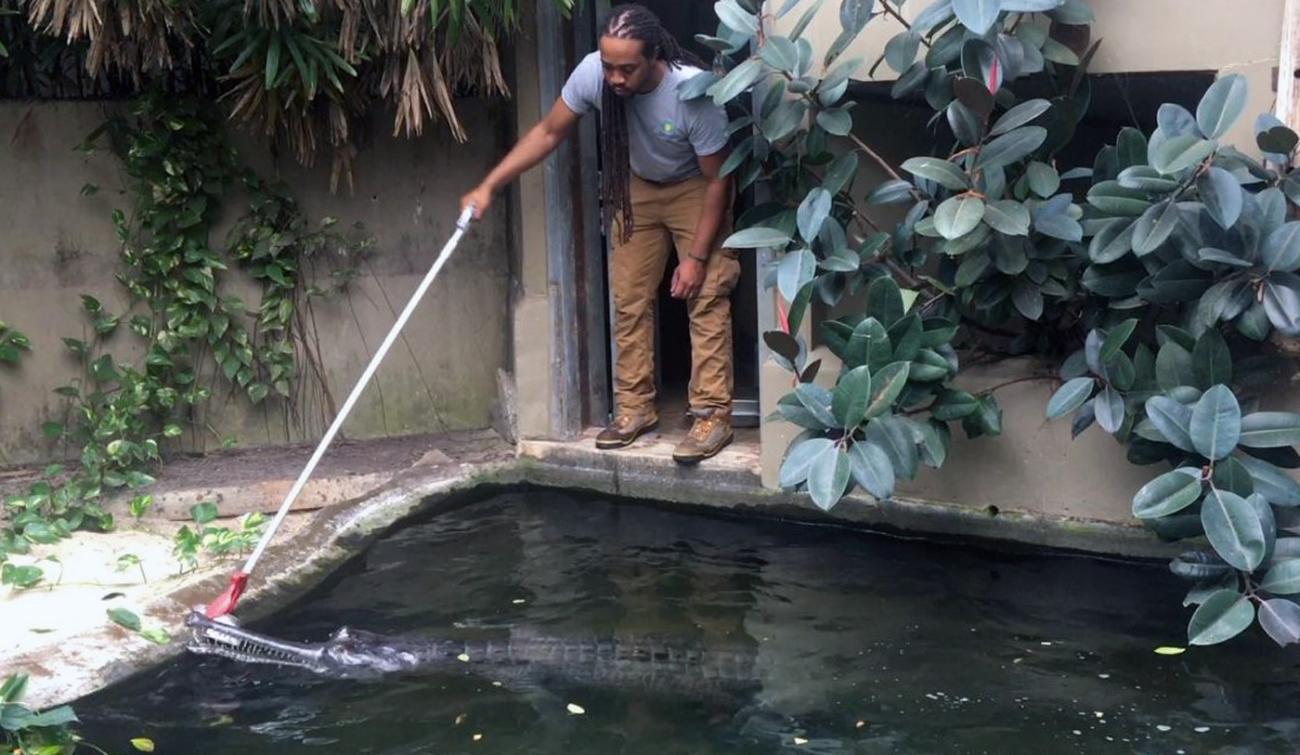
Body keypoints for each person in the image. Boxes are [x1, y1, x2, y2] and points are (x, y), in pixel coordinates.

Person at [461, 3, 739, 464]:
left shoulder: (692, 92)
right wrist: (489, 186)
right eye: (609, 66)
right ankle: (635, 409)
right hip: (637, 188)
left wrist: (695, 257)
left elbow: (719, 180)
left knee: (706, 294)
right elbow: (549, 132)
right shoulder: (595, 72)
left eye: (626, 69)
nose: (614, 78)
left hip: (696, 186)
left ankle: (712, 415)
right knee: (628, 297)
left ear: (655, 58)